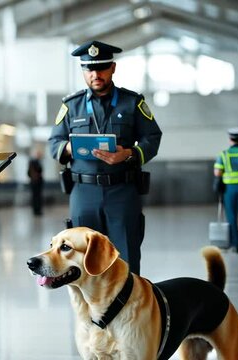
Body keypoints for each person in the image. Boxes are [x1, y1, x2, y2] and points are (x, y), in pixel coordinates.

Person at [48, 41, 162, 275]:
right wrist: (69, 147)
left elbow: (152, 136)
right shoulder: (71, 106)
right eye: (89, 69)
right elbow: (54, 143)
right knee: (81, 259)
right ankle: (91, 311)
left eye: (101, 68)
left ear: (113, 68)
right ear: (83, 72)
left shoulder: (132, 102)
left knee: (126, 259)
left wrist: (128, 154)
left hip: (122, 190)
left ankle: (129, 308)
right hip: (83, 192)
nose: (95, 74)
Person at [27, 147, 44, 216]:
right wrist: (34, 177)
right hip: (34, 182)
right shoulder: (32, 162)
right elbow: (29, 172)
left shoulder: (39, 162)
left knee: (38, 196)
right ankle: (36, 211)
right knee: (35, 197)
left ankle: (38, 210)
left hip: (39, 182)